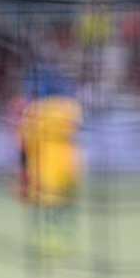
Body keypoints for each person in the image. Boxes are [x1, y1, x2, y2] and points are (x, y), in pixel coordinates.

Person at [18, 81, 84, 256]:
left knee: (43, 205)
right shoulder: (71, 107)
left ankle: (45, 242)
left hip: (43, 161)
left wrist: (23, 168)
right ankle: (66, 241)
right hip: (70, 161)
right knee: (66, 204)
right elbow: (76, 131)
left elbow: (25, 142)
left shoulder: (33, 110)